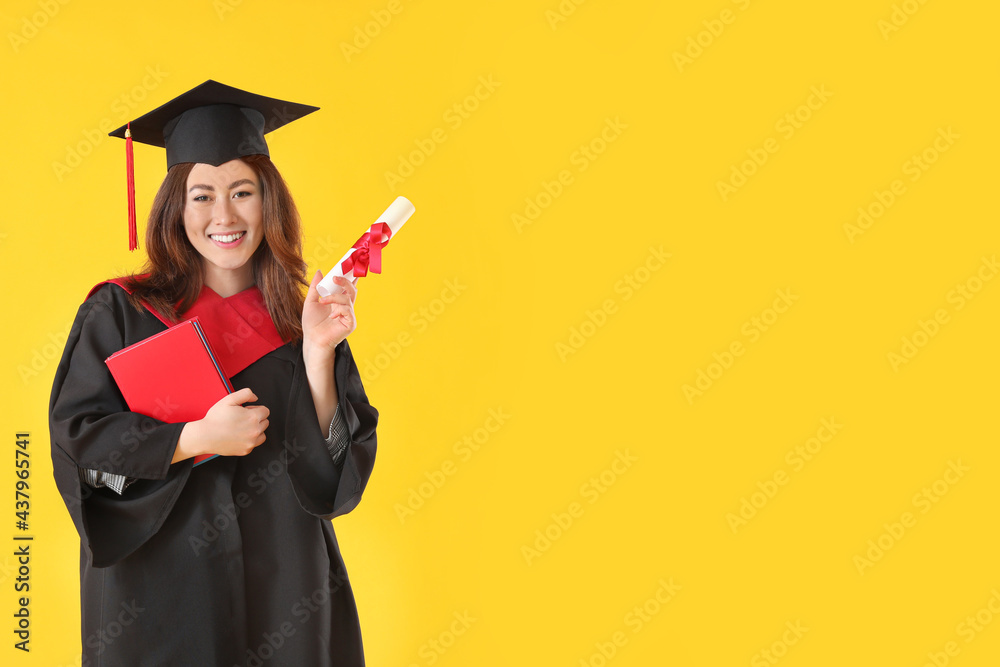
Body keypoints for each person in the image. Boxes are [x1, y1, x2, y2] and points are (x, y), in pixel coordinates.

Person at [49, 80, 378, 666]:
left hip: (287, 593)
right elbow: (80, 447)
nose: (223, 215)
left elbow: (332, 481)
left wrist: (318, 357)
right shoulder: (120, 314)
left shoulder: (301, 320)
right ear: (176, 207)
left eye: (242, 192)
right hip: (160, 598)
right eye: (201, 195)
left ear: (268, 201)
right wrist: (193, 439)